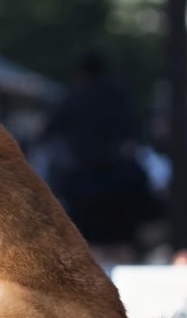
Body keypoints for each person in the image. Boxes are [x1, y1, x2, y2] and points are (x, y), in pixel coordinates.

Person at [42, 51, 160, 261]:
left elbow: (49, 132)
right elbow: (133, 132)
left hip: (84, 181)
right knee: (122, 239)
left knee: (89, 241)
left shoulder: (74, 95)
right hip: (121, 180)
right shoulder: (119, 93)